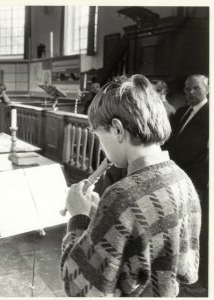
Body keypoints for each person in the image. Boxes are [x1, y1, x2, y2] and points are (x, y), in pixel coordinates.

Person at [60, 75, 200, 297]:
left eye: (98, 137)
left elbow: (78, 286)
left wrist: (79, 218)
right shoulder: (182, 179)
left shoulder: (122, 196)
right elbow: (182, 268)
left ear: (117, 129)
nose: (101, 148)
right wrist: (99, 217)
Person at [162, 74, 208, 294]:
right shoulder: (181, 112)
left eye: (196, 88)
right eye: (187, 89)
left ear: (207, 88)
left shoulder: (210, 114)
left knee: (196, 230)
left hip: (197, 181)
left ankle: (198, 279)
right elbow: (173, 143)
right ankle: (178, 271)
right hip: (177, 176)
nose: (190, 93)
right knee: (177, 226)